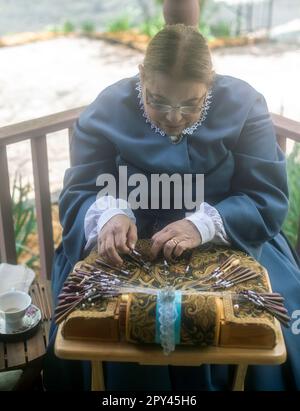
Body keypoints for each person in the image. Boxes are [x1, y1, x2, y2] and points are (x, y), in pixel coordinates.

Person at [44, 24, 300, 391]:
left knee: (264, 329)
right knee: (97, 326)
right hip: (126, 245)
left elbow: (266, 196)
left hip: (230, 238)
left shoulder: (245, 105)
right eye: (158, 100)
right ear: (141, 76)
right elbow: (81, 188)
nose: (174, 117)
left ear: (210, 84)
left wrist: (202, 224)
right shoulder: (106, 109)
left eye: (190, 104)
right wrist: (108, 213)